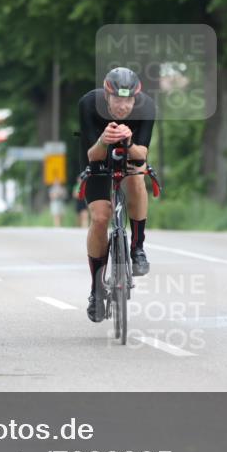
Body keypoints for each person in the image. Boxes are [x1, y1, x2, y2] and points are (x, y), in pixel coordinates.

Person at [79, 67, 156, 322]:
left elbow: (142, 154)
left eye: (128, 101)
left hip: (130, 154)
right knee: (101, 218)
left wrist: (129, 143)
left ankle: (137, 247)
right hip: (97, 156)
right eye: (117, 101)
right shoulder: (89, 103)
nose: (123, 107)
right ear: (107, 97)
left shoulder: (146, 107)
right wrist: (104, 139)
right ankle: (96, 289)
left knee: (137, 178)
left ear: (136, 99)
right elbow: (92, 154)